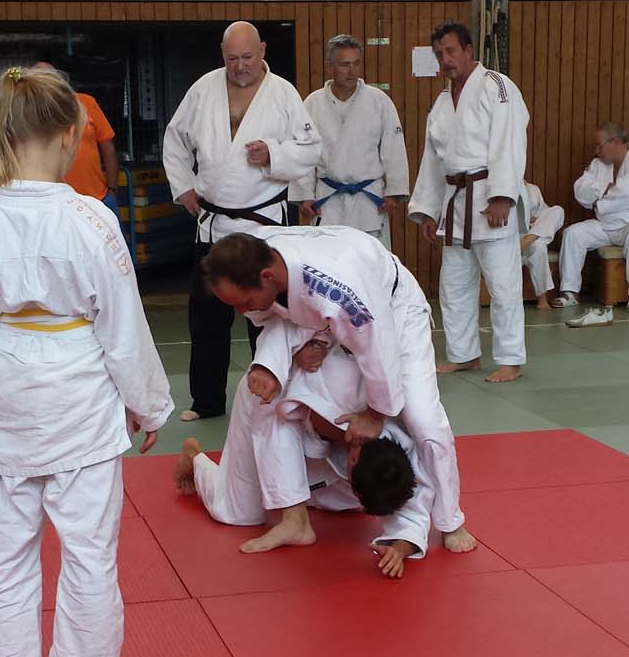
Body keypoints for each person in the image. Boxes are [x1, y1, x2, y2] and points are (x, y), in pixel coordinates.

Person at [0, 65, 172, 657]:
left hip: (8, 388)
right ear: (72, 134)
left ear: (4, 132)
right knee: (88, 547)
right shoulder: (90, 219)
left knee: (5, 543)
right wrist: (148, 403)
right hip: (79, 392)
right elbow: (122, 329)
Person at [200, 225, 476, 553]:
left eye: (244, 302)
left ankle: (450, 520)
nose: (241, 312)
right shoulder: (257, 251)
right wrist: (296, 350)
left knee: (422, 419)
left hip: (393, 307)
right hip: (341, 299)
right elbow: (287, 316)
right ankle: (293, 518)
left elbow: (378, 347)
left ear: (267, 276)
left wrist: (375, 414)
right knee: (269, 394)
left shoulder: (338, 290)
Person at [177, 325, 433, 578]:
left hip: (318, 468)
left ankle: (300, 501)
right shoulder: (334, 389)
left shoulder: (401, 452)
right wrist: (303, 348)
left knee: (361, 501)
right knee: (239, 513)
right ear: (354, 458)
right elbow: (292, 329)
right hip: (266, 398)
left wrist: (400, 549)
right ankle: (196, 459)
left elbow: (414, 510)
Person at [162, 20, 321, 422]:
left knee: (267, 316)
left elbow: (310, 150)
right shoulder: (203, 89)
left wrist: (274, 155)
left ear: (262, 50)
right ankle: (206, 401)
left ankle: (273, 391)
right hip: (214, 222)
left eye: (247, 56)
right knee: (207, 314)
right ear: (222, 54)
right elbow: (175, 139)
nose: (240, 65)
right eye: (232, 58)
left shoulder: (283, 94)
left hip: (262, 223)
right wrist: (183, 187)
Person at [408, 20, 529, 383]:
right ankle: (463, 354)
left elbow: (510, 141)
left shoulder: (497, 86)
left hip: (490, 200)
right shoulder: (442, 102)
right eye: (439, 54)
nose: (445, 60)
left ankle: (511, 359)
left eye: (450, 51)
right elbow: (433, 160)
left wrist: (502, 196)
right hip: (456, 205)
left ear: (468, 50)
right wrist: (428, 210)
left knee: (503, 285)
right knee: (454, 286)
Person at [294, 34, 409, 245]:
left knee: (371, 259)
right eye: (345, 64)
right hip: (328, 200)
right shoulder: (313, 103)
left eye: (356, 63)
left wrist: (394, 191)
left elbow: (394, 149)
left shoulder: (379, 101)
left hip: (369, 201)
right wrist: (304, 194)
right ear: (330, 67)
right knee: (329, 258)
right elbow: (303, 152)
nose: (352, 70)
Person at [554, 123, 629, 327]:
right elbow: (579, 190)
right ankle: (570, 292)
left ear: (615, 142)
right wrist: (604, 188)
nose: (596, 151)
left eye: (599, 146)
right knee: (573, 233)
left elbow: (628, 193)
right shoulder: (598, 164)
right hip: (605, 223)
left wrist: (597, 202)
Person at [36, 63, 119, 212]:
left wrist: (112, 189)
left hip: (99, 197)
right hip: (57, 202)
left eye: (49, 78)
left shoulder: (86, 102)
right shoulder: (32, 112)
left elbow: (108, 147)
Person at [520, 180, 565, 309]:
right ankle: (542, 299)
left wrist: (538, 221)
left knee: (558, 210)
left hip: (532, 233)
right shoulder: (505, 186)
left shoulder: (533, 189)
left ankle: (530, 239)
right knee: (538, 245)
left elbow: (544, 215)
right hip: (514, 235)